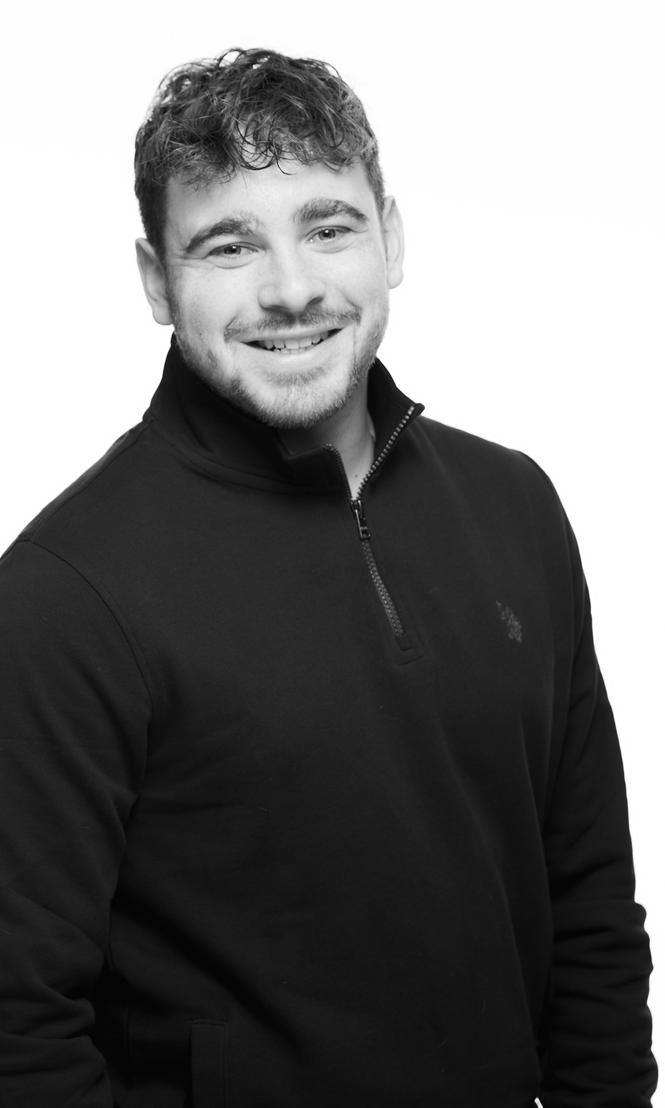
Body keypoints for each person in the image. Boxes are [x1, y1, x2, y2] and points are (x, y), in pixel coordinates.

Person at [0, 47, 656, 1108]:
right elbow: (18, 1028)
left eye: (328, 227)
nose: (291, 288)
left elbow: (588, 913)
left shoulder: (515, 506)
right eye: (228, 244)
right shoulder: (65, 596)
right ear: (156, 280)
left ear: (389, 238)